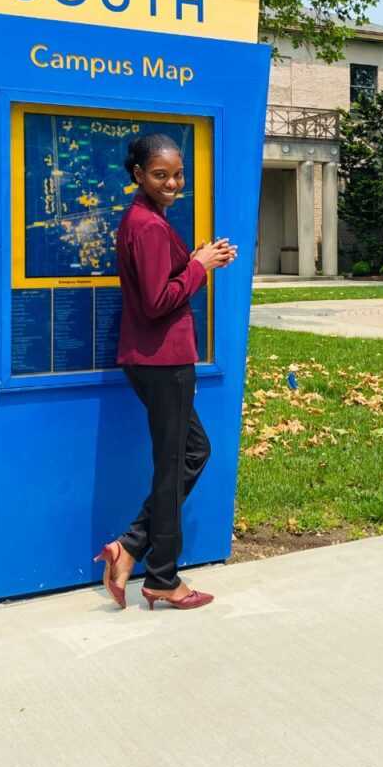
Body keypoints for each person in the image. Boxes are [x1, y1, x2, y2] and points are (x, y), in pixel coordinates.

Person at [94, 132, 236, 611]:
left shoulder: (146, 220)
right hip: (163, 360)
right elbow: (158, 302)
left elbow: (161, 280)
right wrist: (199, 266)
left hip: (154, 360)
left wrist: (196, 258)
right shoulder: (147, 225)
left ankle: (131, 545)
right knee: (176, 464)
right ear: (138, 175)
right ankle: (161, 577)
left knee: (191, 452)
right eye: (161, 175)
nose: (173, 182)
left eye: (177, 174)